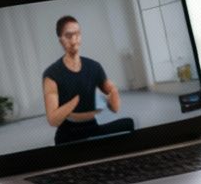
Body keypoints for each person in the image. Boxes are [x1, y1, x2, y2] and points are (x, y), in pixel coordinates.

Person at [44, 15, 136, 146]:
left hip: (93, 129)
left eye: (77, 34)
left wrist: (113, 92)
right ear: (60, 40)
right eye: (69, 36)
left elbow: (115, 108)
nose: (74, 40)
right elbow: (53, 120)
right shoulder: (51, 75)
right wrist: (73, 103)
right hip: (69, 134)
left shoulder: (94, 66)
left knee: (128, 124)